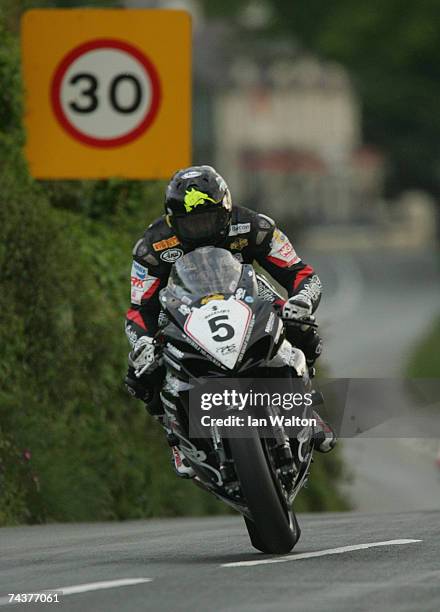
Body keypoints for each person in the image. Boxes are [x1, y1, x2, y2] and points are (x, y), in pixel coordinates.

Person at [124, 165, 336, 476]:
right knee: (140, 373)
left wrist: (301, 301)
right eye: (190, 222)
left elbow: (302, 274)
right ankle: (177, 437)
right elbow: (138, 308)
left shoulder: (255, 226)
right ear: (172, 220)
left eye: (208, 219)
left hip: (246, 296)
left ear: (226, 209)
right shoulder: (152, 247)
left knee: (302, 327)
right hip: (182, 311)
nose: (201, 230)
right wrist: (142, 343)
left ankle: (302, 407)